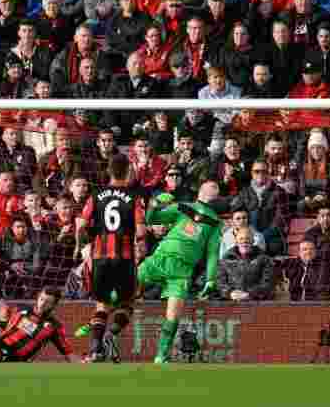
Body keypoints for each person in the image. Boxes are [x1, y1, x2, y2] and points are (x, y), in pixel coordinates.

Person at [137, 180, 222, 364]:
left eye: (215, 189)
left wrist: (210, 279)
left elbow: (213, 253)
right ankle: (99, 323)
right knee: (125, 288)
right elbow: (152, 219)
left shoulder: (215, 222)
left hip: (182, 271)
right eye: (209, 187)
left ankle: (161, 356)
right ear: (200, 191)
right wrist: (154, 204)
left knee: (173, 315)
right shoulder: (183, 207)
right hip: (160, 259)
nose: (211, 191)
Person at [76, 153, 145, 363]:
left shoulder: (95, 195)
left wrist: (82, 248)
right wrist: (140, 247)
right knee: (129, 303)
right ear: (128, 171)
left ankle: (96, 350)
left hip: (99, 257)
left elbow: (80, 224)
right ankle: (111, 334)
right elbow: (140, 232)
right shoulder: (134, 197)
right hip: (124, 258)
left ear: (109, 171)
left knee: (102, 305)